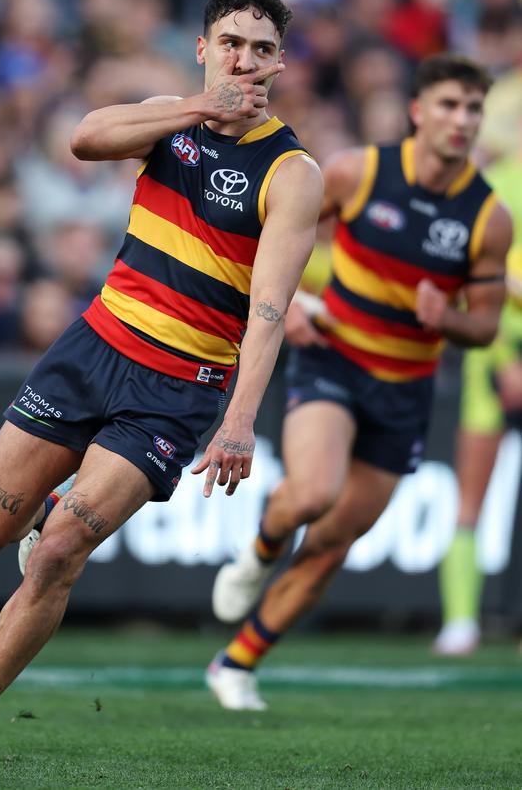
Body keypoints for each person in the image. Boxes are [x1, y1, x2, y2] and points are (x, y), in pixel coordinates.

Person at [0, 0, 323, 768]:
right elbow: (84, 136)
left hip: (177, 389)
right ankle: (37, 519)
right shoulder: (169, 121)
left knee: (61, 548)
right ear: (205, 47)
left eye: (262, 48)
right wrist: (196, 108)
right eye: (230, 43)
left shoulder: (293, 170)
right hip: (93, 348)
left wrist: (240, 418)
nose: (244, 60)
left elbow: (270, 308)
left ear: (281, 63)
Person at [206, 53, 512, 711]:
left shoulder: (488, 218)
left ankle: (237, 663)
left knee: (334, 541)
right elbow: (271, 235)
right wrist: (289, 308)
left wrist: (449, 320)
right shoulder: (356, 171)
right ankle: (260, 551)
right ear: (418, 112)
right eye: (451, 105)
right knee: (311, 494)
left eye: (473, 109)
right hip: (335, 357)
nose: (462, 121)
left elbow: (486, 326)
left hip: (406, 389)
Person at [434, 146, 522, 656]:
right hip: (495, 354)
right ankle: (460, 621)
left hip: (499, 350)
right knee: (472, 497)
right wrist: (506, 354)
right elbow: (479, 275)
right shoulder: (496, 182)